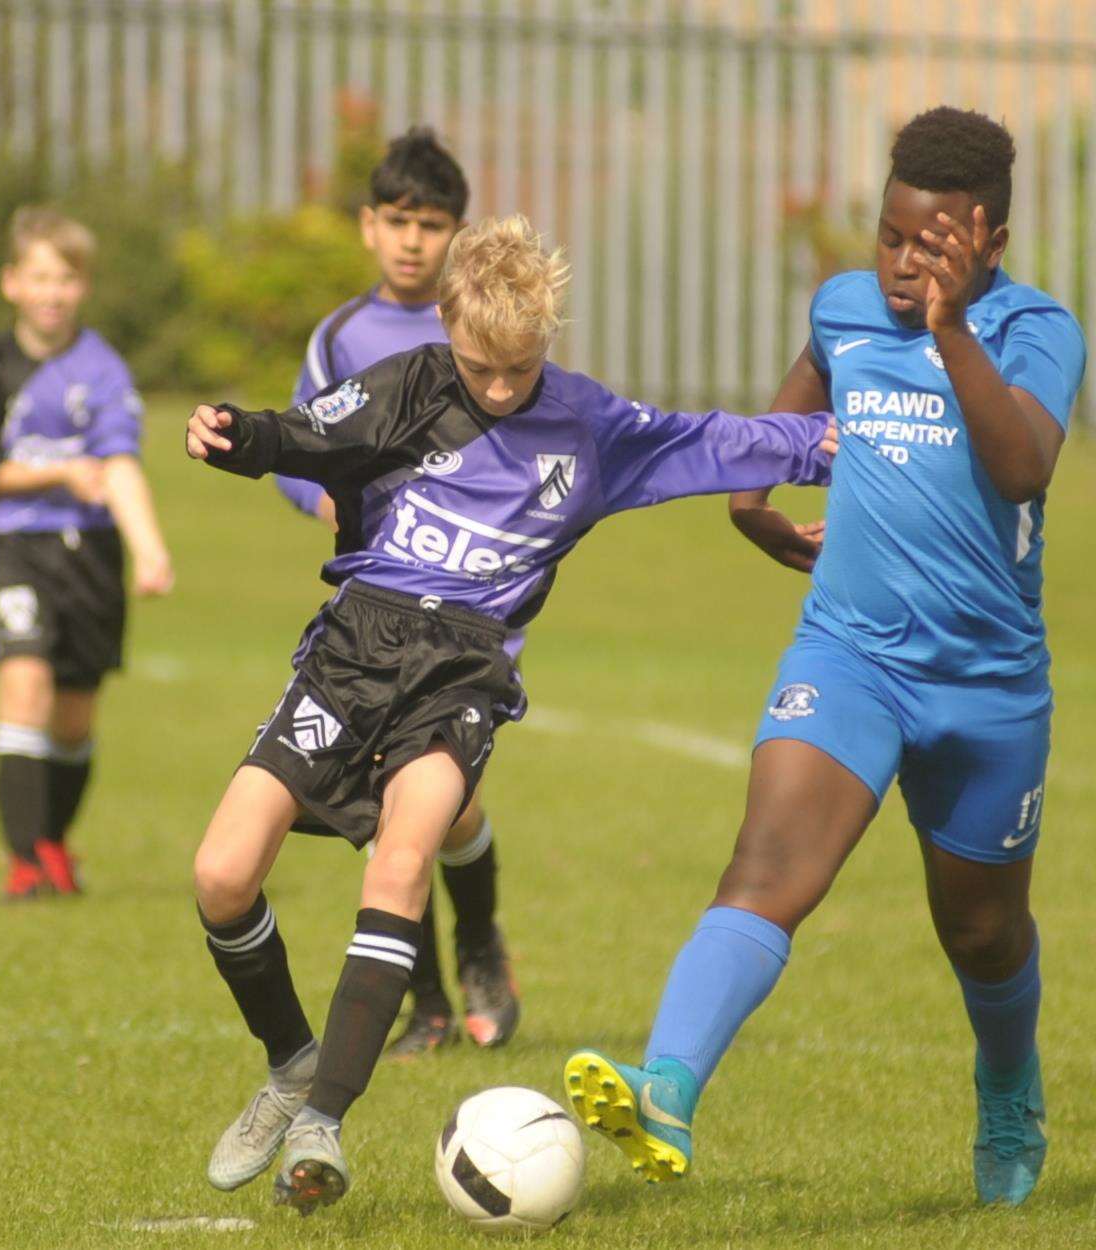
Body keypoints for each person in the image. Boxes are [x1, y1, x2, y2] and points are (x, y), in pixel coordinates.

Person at [186, 214, 837, 1214]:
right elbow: (306, 436)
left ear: (546, 338)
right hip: (356, 647)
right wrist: (235, 435)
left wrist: (820, 443)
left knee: (403, 856)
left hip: (462, 671)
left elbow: (706, 440)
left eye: (517, 367)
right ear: (450, 330)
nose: (499, 386)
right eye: (482, 366)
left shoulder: (585, 424)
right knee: (223, 874)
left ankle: (323, 1119)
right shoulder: (406, 385)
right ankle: (289, 1064)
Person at [564, 107, 1085, 1208]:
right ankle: (666, 1085)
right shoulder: (845, 308)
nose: (901, 264)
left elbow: (1024, 465)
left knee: (982, 931)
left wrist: (951, 333)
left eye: (930, 244)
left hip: (986, 688)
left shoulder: (1039, 330)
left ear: (987, 237)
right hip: (848, 655)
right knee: (765, 865)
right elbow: (791, 406)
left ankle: (1007, 1083)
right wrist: (753, 506)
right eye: (890, 236)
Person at [279, 127, 518, 1057]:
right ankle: (426, 1003)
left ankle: (482, 944)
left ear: (457, 232)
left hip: (471, 609)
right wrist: (330, 496)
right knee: (389, 806)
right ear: (368, 225)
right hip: (372, 614)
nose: (414, 240)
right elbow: (301, 450)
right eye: (398, 221)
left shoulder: (478, 326)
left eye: (433, 224)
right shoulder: (340, 336)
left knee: (443, 807)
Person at [0, 207, 174, 899]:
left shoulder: (103, 369)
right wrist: (57, 473)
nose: (52, 292)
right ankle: (24, 863)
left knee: (75, 715)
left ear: (82, 287)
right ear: (12, 283)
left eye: (66, 279)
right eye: (39, 277)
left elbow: (119, 464)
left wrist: (150, 550)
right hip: (18, 544)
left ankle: (51, 841)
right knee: (23, 682)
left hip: (92, 554)